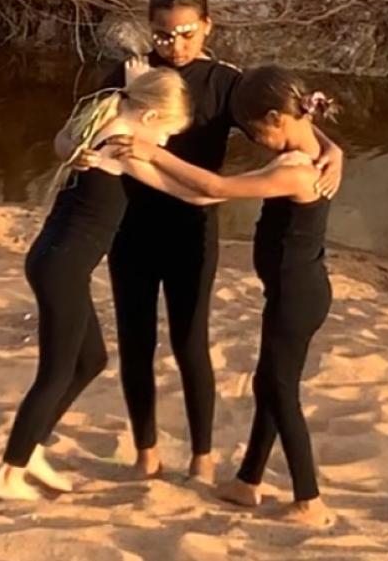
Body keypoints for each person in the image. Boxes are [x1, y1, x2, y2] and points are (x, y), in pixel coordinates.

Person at [82, 0, 345, 481]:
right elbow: (89, 130)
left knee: (190, 342)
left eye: (185, 33)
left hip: (193, 230)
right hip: (130, 229)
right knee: (135, 342)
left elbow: (291, 121)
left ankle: (202, 459)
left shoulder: (225, 82)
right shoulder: (129, 74)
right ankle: (146, 453)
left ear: (207, 25)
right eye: (162, 34)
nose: (174, 45)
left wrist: (334, 151)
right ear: (149, 28)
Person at [118, 67, 341, 528]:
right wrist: (149, 169)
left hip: (298, 296)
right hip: (289, 291)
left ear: (278, 118)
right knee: (268, 384)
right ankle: (248, 483)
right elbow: (200, 198)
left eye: (257, 131)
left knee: (281, 392)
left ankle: (309, 501)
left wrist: (153, 152)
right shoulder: (310, 149)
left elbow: (217, 189)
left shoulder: (298, 170)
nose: (256, 140)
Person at [0, 69, 217, 501]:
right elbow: (187, 191)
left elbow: (68, 137)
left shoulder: (107, 119)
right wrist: (231, 189)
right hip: (61, 268)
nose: (166, 143)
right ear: (149, 118)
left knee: (90, 359)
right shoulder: (120, 143)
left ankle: (32, 447)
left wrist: (140, 82)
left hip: (55, 262)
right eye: (167, 132)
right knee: (56, 372)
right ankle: (8, 474)